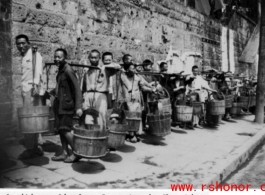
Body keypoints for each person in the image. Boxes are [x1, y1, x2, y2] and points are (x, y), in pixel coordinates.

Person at [15, 34, 45, 159]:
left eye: (23, 43)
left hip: (31, 90)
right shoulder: (24, 57)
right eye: (18, 44)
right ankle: (37, 146)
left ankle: (30, 149)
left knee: (29, 120)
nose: (21, 46)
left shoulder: (34, 54)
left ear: (28, 43)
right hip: (26, 90)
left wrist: (36, 86)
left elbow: (38, 70)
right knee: (33, 118)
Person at [51, 48, 83, 163]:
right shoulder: (61, 70)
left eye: (59, 57)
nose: (57, 59)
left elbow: (77, 89)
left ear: (65, 58)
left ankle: (77, 151)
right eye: (55, 57)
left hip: (67, 105)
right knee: (60, 129)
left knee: (65, 129)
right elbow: (62, 87)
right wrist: (53, 91)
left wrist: (79, 106)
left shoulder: (68, 70)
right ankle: (64, 153)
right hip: (60, 104)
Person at [82, 50, 121, 131]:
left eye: (95, 58)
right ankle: (90, 136)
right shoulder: (87, 70)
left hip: (101, 95)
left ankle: (102, 135)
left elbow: (118, 66)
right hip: (88, 95)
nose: (93, 60)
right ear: (89, 58)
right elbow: (83, 86)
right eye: (91, 58)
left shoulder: (105, 69)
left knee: (101, 116)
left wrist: (105, 66)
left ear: (99, 58)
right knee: (88, 117)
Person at [118, 62, 156, 142]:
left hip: (136, 99)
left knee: (137, 116)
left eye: (134, 68)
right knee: (128, 116)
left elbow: (143, 86)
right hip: (126, 100)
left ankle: (135, 133)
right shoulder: (122, 76)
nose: (134, 70)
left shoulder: (137, 77)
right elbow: (127, 85)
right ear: (127, 69)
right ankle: (129, 134)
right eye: (132, 68)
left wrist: (151, 89)